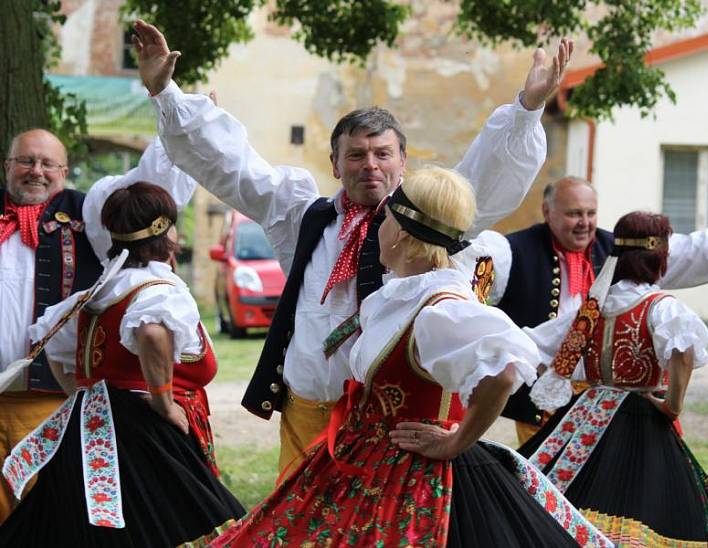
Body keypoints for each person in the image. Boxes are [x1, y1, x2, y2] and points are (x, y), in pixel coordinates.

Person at [132, 19, 575, 475]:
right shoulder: (303, 213)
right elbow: (235, 167)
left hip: (387, 423)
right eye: (357, 155)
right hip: (306, 412)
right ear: (335, 163)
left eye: (383, 154)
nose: (370, 166)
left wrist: (526, 109)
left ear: (404, 161)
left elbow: (483, 177)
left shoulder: (430, 220)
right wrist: (167, 95)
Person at [209, 167, 612, 547]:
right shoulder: (404, 293)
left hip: (411, 471)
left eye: (383, 221)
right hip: (363, 454)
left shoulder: (440, 309)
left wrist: (455, 441)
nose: (377, 230)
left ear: (400, 233)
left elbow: (504, 371)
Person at [0, 182, 245, 546]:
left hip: (93, 425)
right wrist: (163, 402)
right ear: (167, 231)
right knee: (150, 530)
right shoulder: (158, 288)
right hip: (142, 432)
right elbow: (151, 335)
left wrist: (82, 399)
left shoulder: (99, 291)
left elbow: (55, 348)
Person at [493, 176, 708, 444]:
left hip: (606, 407)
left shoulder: (617, 249)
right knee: (549, 483)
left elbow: (686, 252)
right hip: (549, 398)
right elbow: (528, 341)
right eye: (574, 214)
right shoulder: (515, 251)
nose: (584, 222)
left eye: (590, 213)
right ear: (547, 212)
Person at [517, 211, 708, 546]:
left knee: (571, 495)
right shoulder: (661, 306)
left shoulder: (594, 305)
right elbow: (684, 351)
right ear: (659, 256)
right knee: (642, 505)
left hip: (588, 413)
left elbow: (537, 345)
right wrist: (673, 405)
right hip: (639, 415)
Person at [0, 129, 195, 521]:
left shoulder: (88, 216)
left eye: (47, 163)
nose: (36, 171)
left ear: (65, 170)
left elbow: (144, 200)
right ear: (7, 166)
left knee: (47, 514)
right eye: (25, 161)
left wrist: (181, 127)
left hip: (49, 402)